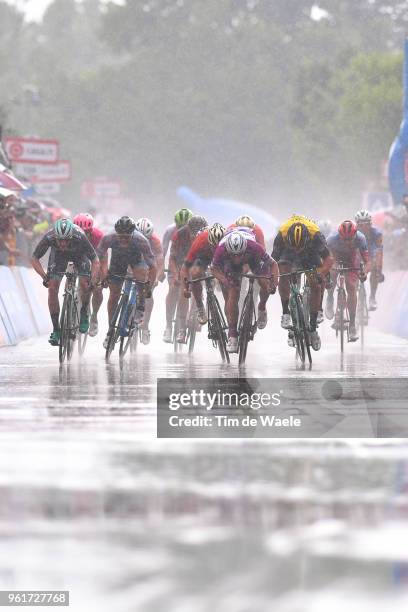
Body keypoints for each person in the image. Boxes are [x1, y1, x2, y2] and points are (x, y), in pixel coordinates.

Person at [31, 218, 100, 346]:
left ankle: (84, 312)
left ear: (71, 236)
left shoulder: (80, 236)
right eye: (59, 240)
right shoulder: (49, 237)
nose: (62, 244)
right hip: (58, 257)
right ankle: (56, 330)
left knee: (85, 284)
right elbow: (34, 258)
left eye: (66, 240)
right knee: (52, 288)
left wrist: (93, 280)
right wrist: (43, 276)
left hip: (79, 255)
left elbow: (95, 260)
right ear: (55, 237)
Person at [272, 215, 333, 351]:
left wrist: (321, 273)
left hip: (309, 254)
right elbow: (273, 262)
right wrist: (273, 278)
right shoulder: (282, 234)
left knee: (316, 284)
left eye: (299, 247)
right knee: (284, 273)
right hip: (288, 254)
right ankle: (286, 312)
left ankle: (312, 328)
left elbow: (328, 259)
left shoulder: (316, 236)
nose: (297, 250)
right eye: (295, 247)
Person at [211, 231, 278, 353]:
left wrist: (273, 284)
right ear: (228, 251)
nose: (236, 258)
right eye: (234, 255)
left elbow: (273, 265)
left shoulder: (254, 247)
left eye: (239, 255)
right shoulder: (221, 249)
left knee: (265, 282)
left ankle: (262, 307)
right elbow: (214, 269)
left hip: (252, 259)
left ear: (244, 249)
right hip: (229, 265)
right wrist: (224, 280)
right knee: (233, 291)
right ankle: (232, 335)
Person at [96, 216, 157, 349]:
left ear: (132, 234)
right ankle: (111, 330)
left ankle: (140, 307)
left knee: (141, 278)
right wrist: (103, 274)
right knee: (113, 295)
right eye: (120, 236)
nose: (123, 240)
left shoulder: (141, 240)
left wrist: (149, 287)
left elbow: (152, 266)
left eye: (126, 237)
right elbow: (98, 258)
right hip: (117, 262)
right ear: (116, 233)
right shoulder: (109, 238)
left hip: (136, 260)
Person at [165, 214, 208, 343]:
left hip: (198, 263)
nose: (194, 236)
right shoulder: (179, 234)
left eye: (198, 233)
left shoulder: (207, 236)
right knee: (177, 289)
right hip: (180, 263)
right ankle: (176, 327)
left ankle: (196, 313)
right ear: (187, 229)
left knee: (198, 290)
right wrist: (175, 275)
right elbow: (171, 258)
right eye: (192, 232)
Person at [325, 220, 369, 341]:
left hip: (352, 259)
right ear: (339, 236)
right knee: (333, 273)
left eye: (350, 239)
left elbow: (366, 261)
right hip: (336, 257)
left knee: (351, 286)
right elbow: (326, 258)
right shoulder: (331, 239)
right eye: (344, 239)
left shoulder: (361, 238)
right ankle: (329, 298)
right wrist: (329, 269)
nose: (347, 242)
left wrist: (364, 272)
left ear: (355, 235)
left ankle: (352, 325)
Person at [181, 223, 226, 324]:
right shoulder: (200, 242)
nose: (215, 250)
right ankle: (200, 307)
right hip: (204, 257)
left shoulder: (228, 241)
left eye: (217, 247)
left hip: (223, 258)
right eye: (213, 246)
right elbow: (185, 268)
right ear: (209, 242)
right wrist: (186, 288)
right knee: (195, 274)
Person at [73, 213, 104, 336]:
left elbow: (102, 260)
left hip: (95, 256)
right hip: (79, 255)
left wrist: (101, 276)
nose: (82, 235)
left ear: (91, 231)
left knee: (97, 287)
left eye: (86, 232)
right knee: (77, 276)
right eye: (80, 232)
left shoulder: (98, 236)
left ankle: (94, 317)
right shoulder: (71, 235)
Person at [135, 217, 165, 344]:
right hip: (136, 262)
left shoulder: (155, 241)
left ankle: (145, 325)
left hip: (149, 264)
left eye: (146, 238)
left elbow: (159, 262)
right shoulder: (132, 239)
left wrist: (157, 277)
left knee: (148, 293)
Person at [354, 209, 384, 311]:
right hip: (358, 256)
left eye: (366, 224)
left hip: (371, 256)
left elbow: (380, 253)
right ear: (357, 225)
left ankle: (372, 297)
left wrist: (379, 270)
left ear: (370, 223)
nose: (363, 227)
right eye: (360, 225)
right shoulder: (353, 233)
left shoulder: (377, 233)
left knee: (375, 268)